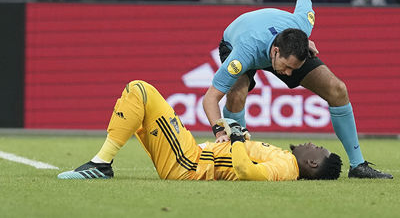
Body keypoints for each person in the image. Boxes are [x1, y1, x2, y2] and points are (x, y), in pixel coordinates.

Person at [202, 0, 393, 179]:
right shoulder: (243, 53)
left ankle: (358, 165)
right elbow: (210, 98)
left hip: (287, 38)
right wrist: (219, 131)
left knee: (337, 89)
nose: (288, 74)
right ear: (275, 52)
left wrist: (303, 39)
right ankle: (238, 157)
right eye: (286, 67)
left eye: (294, 68)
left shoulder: (304, 24)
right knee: (236, 96)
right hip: (237, 40)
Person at [57, 80, 342, 181]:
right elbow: (240, 159)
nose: (310, 142)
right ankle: (101, 163)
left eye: (317, 148)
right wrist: (231, 138)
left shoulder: (284, 169)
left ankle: (100, 165)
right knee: (138, 102)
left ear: (313, 163)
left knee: (140, 90)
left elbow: (246, 171)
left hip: (188, 163)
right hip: (192, 155)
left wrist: (239, 137)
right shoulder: (285, 159)